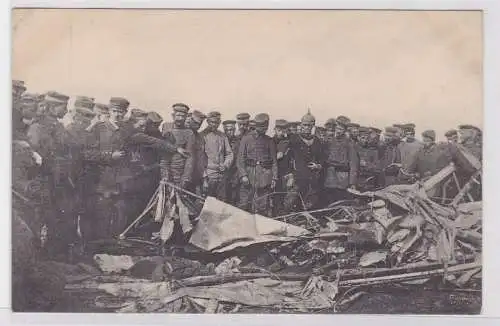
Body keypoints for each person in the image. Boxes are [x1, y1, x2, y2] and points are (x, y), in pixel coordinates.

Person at [27, 91, 78, 261]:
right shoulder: (39, 126)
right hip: (47, 179)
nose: (66, 110)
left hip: (59, 179)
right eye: (63, 106)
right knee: (47, 218)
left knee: (58, 218)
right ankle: (47, 257)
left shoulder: (55, 124)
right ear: (53, 107)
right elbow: (39, 154)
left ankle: (56, 256)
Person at [237, 113, 278, 215]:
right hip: (249, 173)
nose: (264, 130)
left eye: (265, 128)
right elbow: (240, 159)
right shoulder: (246, 139)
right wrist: (243, 175)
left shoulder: (269, 140)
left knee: (263, 204)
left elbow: (274, 161)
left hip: (265, 175)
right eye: (261, 128)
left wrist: (274, 178)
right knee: (244, 203)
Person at [288, 111, 324, 210]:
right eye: (304, 125)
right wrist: (290, 175)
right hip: (297, 178)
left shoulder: (317, 141)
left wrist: (318, 166)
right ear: (301, 125)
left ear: (313, 126)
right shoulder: (293, 140)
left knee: (310, 204)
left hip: (312, 179)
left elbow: (322, 158)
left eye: (309, 125)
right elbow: (287, 160)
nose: (306, 127)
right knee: (292, 203)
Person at [323, 118, 359, 204]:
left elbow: (353, 164)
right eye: (337, 128)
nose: (338, 131)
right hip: (329, 176)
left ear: (345, 130)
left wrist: (352, 182)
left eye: (341, 129)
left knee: (340, 201)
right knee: (329, 200)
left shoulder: (350, 144)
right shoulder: (329, 141)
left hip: (342, 178)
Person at [200, 111, 234, 199]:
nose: (214, 124)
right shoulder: (202, 136)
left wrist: (226, 165)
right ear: (207, 121)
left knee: (221, 202)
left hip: (222, 176)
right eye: (212, 122)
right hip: (209, 176)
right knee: (207, 202)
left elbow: (229, 153)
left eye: (217, 122)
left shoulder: (222, 136)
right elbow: (200, 159)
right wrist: (204, 179)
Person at [160, 103, 195, 188]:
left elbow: (190, 157)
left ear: (186, 117)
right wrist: (165, 174)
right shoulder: (166, 127)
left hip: (179, 173)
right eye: (178, 115)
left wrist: (185, 178)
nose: (180, 118)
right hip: (164, 171)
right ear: (173, 115)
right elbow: (163, 149)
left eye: (183, 116)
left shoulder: (189, 133)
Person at [273, 119, 296, 215]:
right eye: (279, 130)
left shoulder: (286, 142)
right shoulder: (270, 140)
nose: (281, 133)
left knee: (282, 196)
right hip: (273, 172)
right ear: (274, 129)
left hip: (284, 173)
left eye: (283, 130)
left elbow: (280, 155)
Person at [188, 110, 208, 196]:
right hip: (179, 176)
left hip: (194, 177)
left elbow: (201, 160)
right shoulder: (184, 133)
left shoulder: (200, 138)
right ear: (190, 120)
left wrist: (204, 179)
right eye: (195, 123)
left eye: (199, 124)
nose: (198, 126)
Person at [356, 127, 382, 191]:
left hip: (367, 180)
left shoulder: (373, 151)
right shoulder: (353, 148)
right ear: (358, 137)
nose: (365, 140)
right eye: (363, 138)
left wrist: (366, 164)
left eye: (367, 138)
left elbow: (377, 167)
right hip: (353, 180)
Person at [222, 119, 240, 204]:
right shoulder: (220, 140)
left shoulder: (239, 142)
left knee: (234, 198)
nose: (229, 132)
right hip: (222, 173)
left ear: (235, 129)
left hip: (235, 174)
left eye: (231, 130)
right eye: (227, 130)